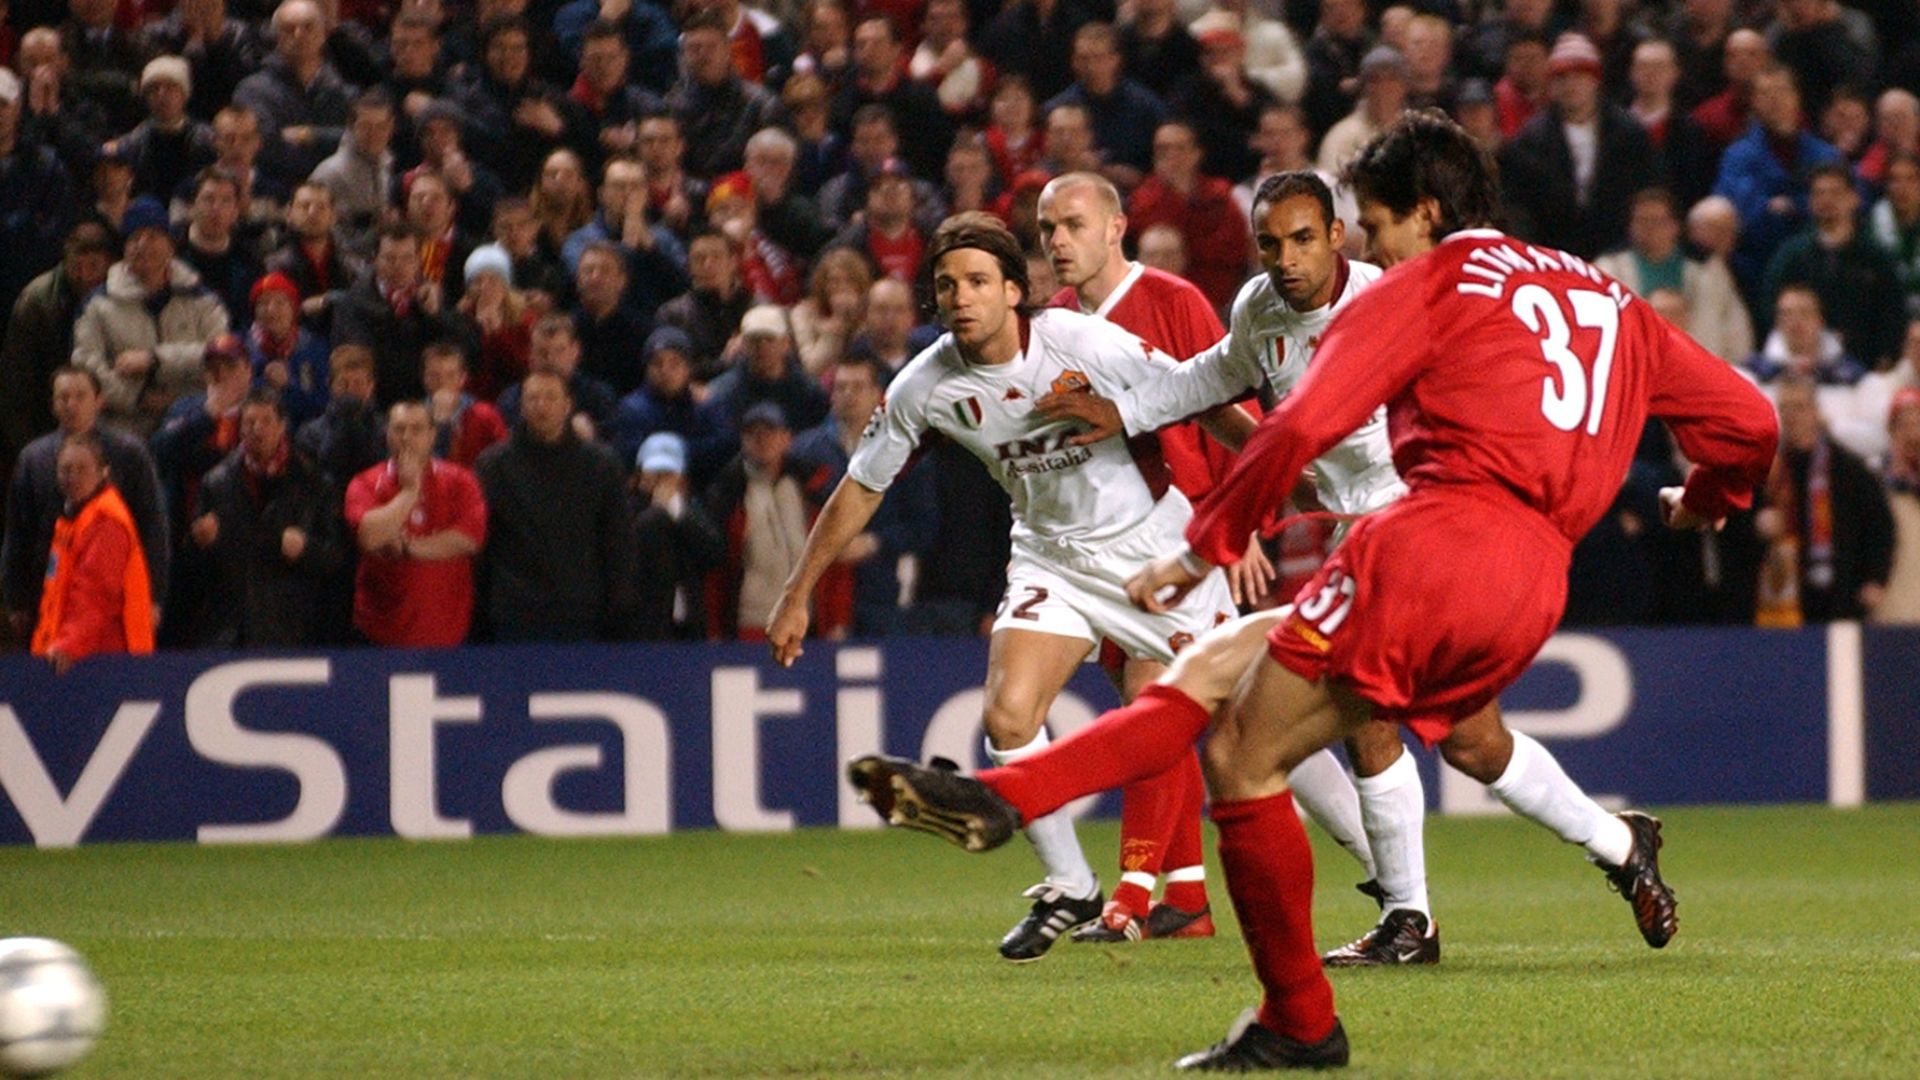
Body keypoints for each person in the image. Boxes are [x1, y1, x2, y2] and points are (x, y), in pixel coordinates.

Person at [849, 112, 1779, 1069]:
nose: (1365, 249)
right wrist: (1705, 497)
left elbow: (1295, 432)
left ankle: (1300, 1011)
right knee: (1247, 674)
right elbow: (1751, 419)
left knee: (1243, 749)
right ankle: (1015, 796)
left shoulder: (1428, 284)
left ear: (1424, 214)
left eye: (1373, 226)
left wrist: (1204, 548)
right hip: (1536, 575)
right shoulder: (1606, 295)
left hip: (1429, 537)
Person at [769, 212, 1248, 961]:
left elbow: (1196, 393)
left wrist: (1282, 462)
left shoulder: (1081, 341)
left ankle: (1399, 892)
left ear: (1015, 292)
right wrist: (799, 591)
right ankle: (1071, 885)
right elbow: (862, 488)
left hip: (1154, 550)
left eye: (978, 282)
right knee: (1009, 715)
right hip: (1051, 557)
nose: (961, 298)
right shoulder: (925, 385)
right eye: (947, 286)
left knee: (1238, 735)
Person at [1034, 170, 1254, 940]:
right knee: (1195, 717)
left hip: (1185, 535)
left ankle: (1129, 896)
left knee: (1161, 701)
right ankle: (1187, 891)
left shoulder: (1174, 302)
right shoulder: (1054, 322)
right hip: (1101, 548)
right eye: (1047, 230)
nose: (1058, 241)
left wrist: (1241, 523)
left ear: (1116, 226)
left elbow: (1230, 411)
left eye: (1071, 224)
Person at [4, 367, 168, 648]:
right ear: (53, 404)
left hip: (114, 604)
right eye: (63, 397)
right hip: (46, 596)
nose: (71, 404)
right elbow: (18, 533)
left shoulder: (130, 453)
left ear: (99, 400)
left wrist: (154, 597)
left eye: (80, 396)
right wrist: (15, 598)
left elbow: (153, 527)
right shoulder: (33, 458)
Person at [475, 369, 635, 641]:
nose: (541, 406)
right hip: (515, 612)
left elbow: (617, 538)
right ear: (521, 406)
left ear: (567, 404)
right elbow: (484, 542)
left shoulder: (601, 464)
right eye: (533, 398)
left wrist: (619, 603)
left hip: (583, 610)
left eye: (550, 397)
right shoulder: (493, 465)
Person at [186, 388, 345, 647]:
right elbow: (194, 570)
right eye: (249, 422)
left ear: (282, 426)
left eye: (266, 421)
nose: (256, 429)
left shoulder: (315, 483)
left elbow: (336, 557)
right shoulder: (215, 482)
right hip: (229, 630)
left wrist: (306, 549)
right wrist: (201, 543)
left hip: (293, 629)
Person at [72, 196, 232, 438]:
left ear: (170, 246)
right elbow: (87, 366)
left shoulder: (203, 299)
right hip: (124, 428)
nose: (143, 245)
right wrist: (138, 398)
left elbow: (220, 354)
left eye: (153, 236)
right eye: (134, 238)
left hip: (194, 419)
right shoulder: (97, 305)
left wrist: (156, 360)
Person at [344, 399, 487, 646]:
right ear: (387, 434)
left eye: (417, 429)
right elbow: (369, 537)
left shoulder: (460, 480)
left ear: (432, 435)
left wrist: (409, 548)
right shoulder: (364, 482)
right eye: (399, 429)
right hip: (379, 634)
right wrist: (410, 492)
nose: (407, 437)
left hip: (448, 633)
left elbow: (469, 538)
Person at [29, 433, 155, 672]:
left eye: (82, 469)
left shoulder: (105, 523)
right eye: (65, 470)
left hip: (102, 659)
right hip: (82, 654)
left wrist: (69, 643)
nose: (72, 477)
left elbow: (95, 592)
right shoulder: (75, 518)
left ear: (102, 472)